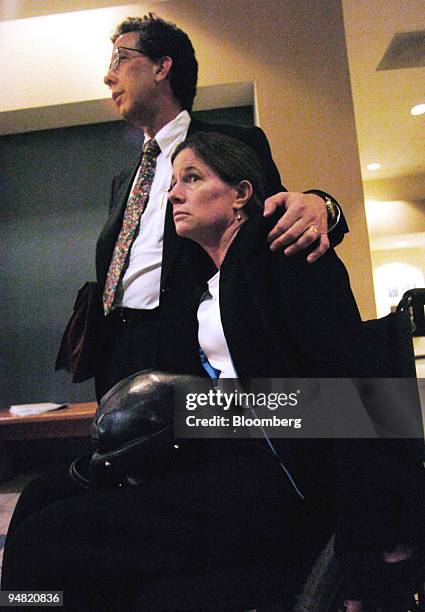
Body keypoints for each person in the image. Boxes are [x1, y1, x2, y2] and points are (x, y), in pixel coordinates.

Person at [168, 131, 425, 611]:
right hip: (236, 470)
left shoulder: (280, 251)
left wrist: (373, 550)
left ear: (243, 193)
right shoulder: (203, 293)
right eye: (172, 181)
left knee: (62, 538)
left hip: (292, 487)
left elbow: (359, 401)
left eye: (192, 178)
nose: (173, 194)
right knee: (49, 505)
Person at [94, 13, 348, 402]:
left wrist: (324, 205)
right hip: (117, 353)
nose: (108, 76)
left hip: (192, 348)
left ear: (162, 66)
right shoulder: (123, 179)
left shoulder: (231, 142)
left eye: (119, 59)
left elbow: (280, 221)